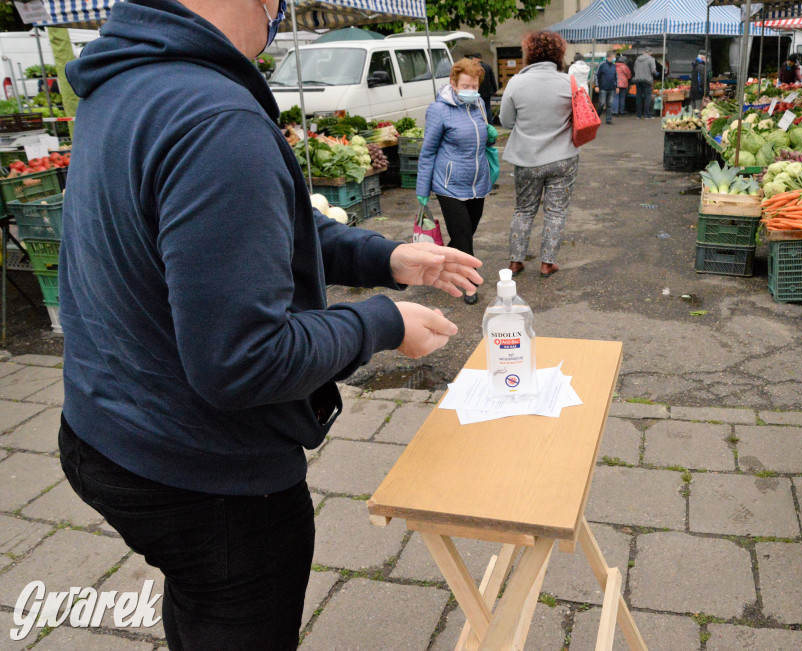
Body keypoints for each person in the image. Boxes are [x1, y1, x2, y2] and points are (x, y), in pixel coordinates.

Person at [56, 1, 483, 649]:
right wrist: (382, 322)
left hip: (105, 430)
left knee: (200, 597)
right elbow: (245, 357)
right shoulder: (215, 118)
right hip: (202, 475)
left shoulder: (125, 78)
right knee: (226, 599)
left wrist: (385, 257)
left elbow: (257, 230)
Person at [499, 30, 580, 279]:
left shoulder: (516, 83)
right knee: (556, 212)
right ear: (559, 54)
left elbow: (506, 121)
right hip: (563, 158)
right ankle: (547, 263)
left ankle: (515, 262)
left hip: (527, 159)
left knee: (524, 210)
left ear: (529, 53)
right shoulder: (569, 82)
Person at [417, 58, 497, 305]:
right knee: (463, 238)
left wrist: (491, 137)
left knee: (467, 233)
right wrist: (423, 189)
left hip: (477, 182)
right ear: (453, 83)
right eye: (466, 86)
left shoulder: (479, 104)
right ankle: (470, 286)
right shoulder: (439, 110)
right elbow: (428, 151)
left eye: (475, 86)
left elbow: (482, 139)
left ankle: (438, 265)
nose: (471, 91)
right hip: (449, 185)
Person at [467, 52, 498, 123]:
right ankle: (489, 123)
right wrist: (495, 90)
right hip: (488, 92)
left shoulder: (474, 68)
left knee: (478, 108)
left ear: (474, 59)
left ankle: (481, 122)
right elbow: (493, 79)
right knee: (487, 108)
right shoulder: (488, 67)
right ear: (480, 58)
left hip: (478, 92)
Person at [594, 51, 618, 124]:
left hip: (612, 88)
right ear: (609, 57)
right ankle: (596, 118)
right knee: (602, 103)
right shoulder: (602, 65)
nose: (615, 58)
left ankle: (609, 120)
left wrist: (617, 86)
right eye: (614, 57)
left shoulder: (614, 66)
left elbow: (615, 77)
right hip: (603, 88)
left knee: (610, 104)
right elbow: (596, 75)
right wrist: (597, 85)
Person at [633, 47, 657, 119]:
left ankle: (638, 115)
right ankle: (647, 115)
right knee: (647, 97)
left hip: (638, 80)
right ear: (650, 53)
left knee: (639, 97)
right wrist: (656, 73)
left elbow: (634, 69)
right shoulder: (651, 59)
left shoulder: (637, 59)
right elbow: (653, 70)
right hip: (647, 80)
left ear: (644, 52)